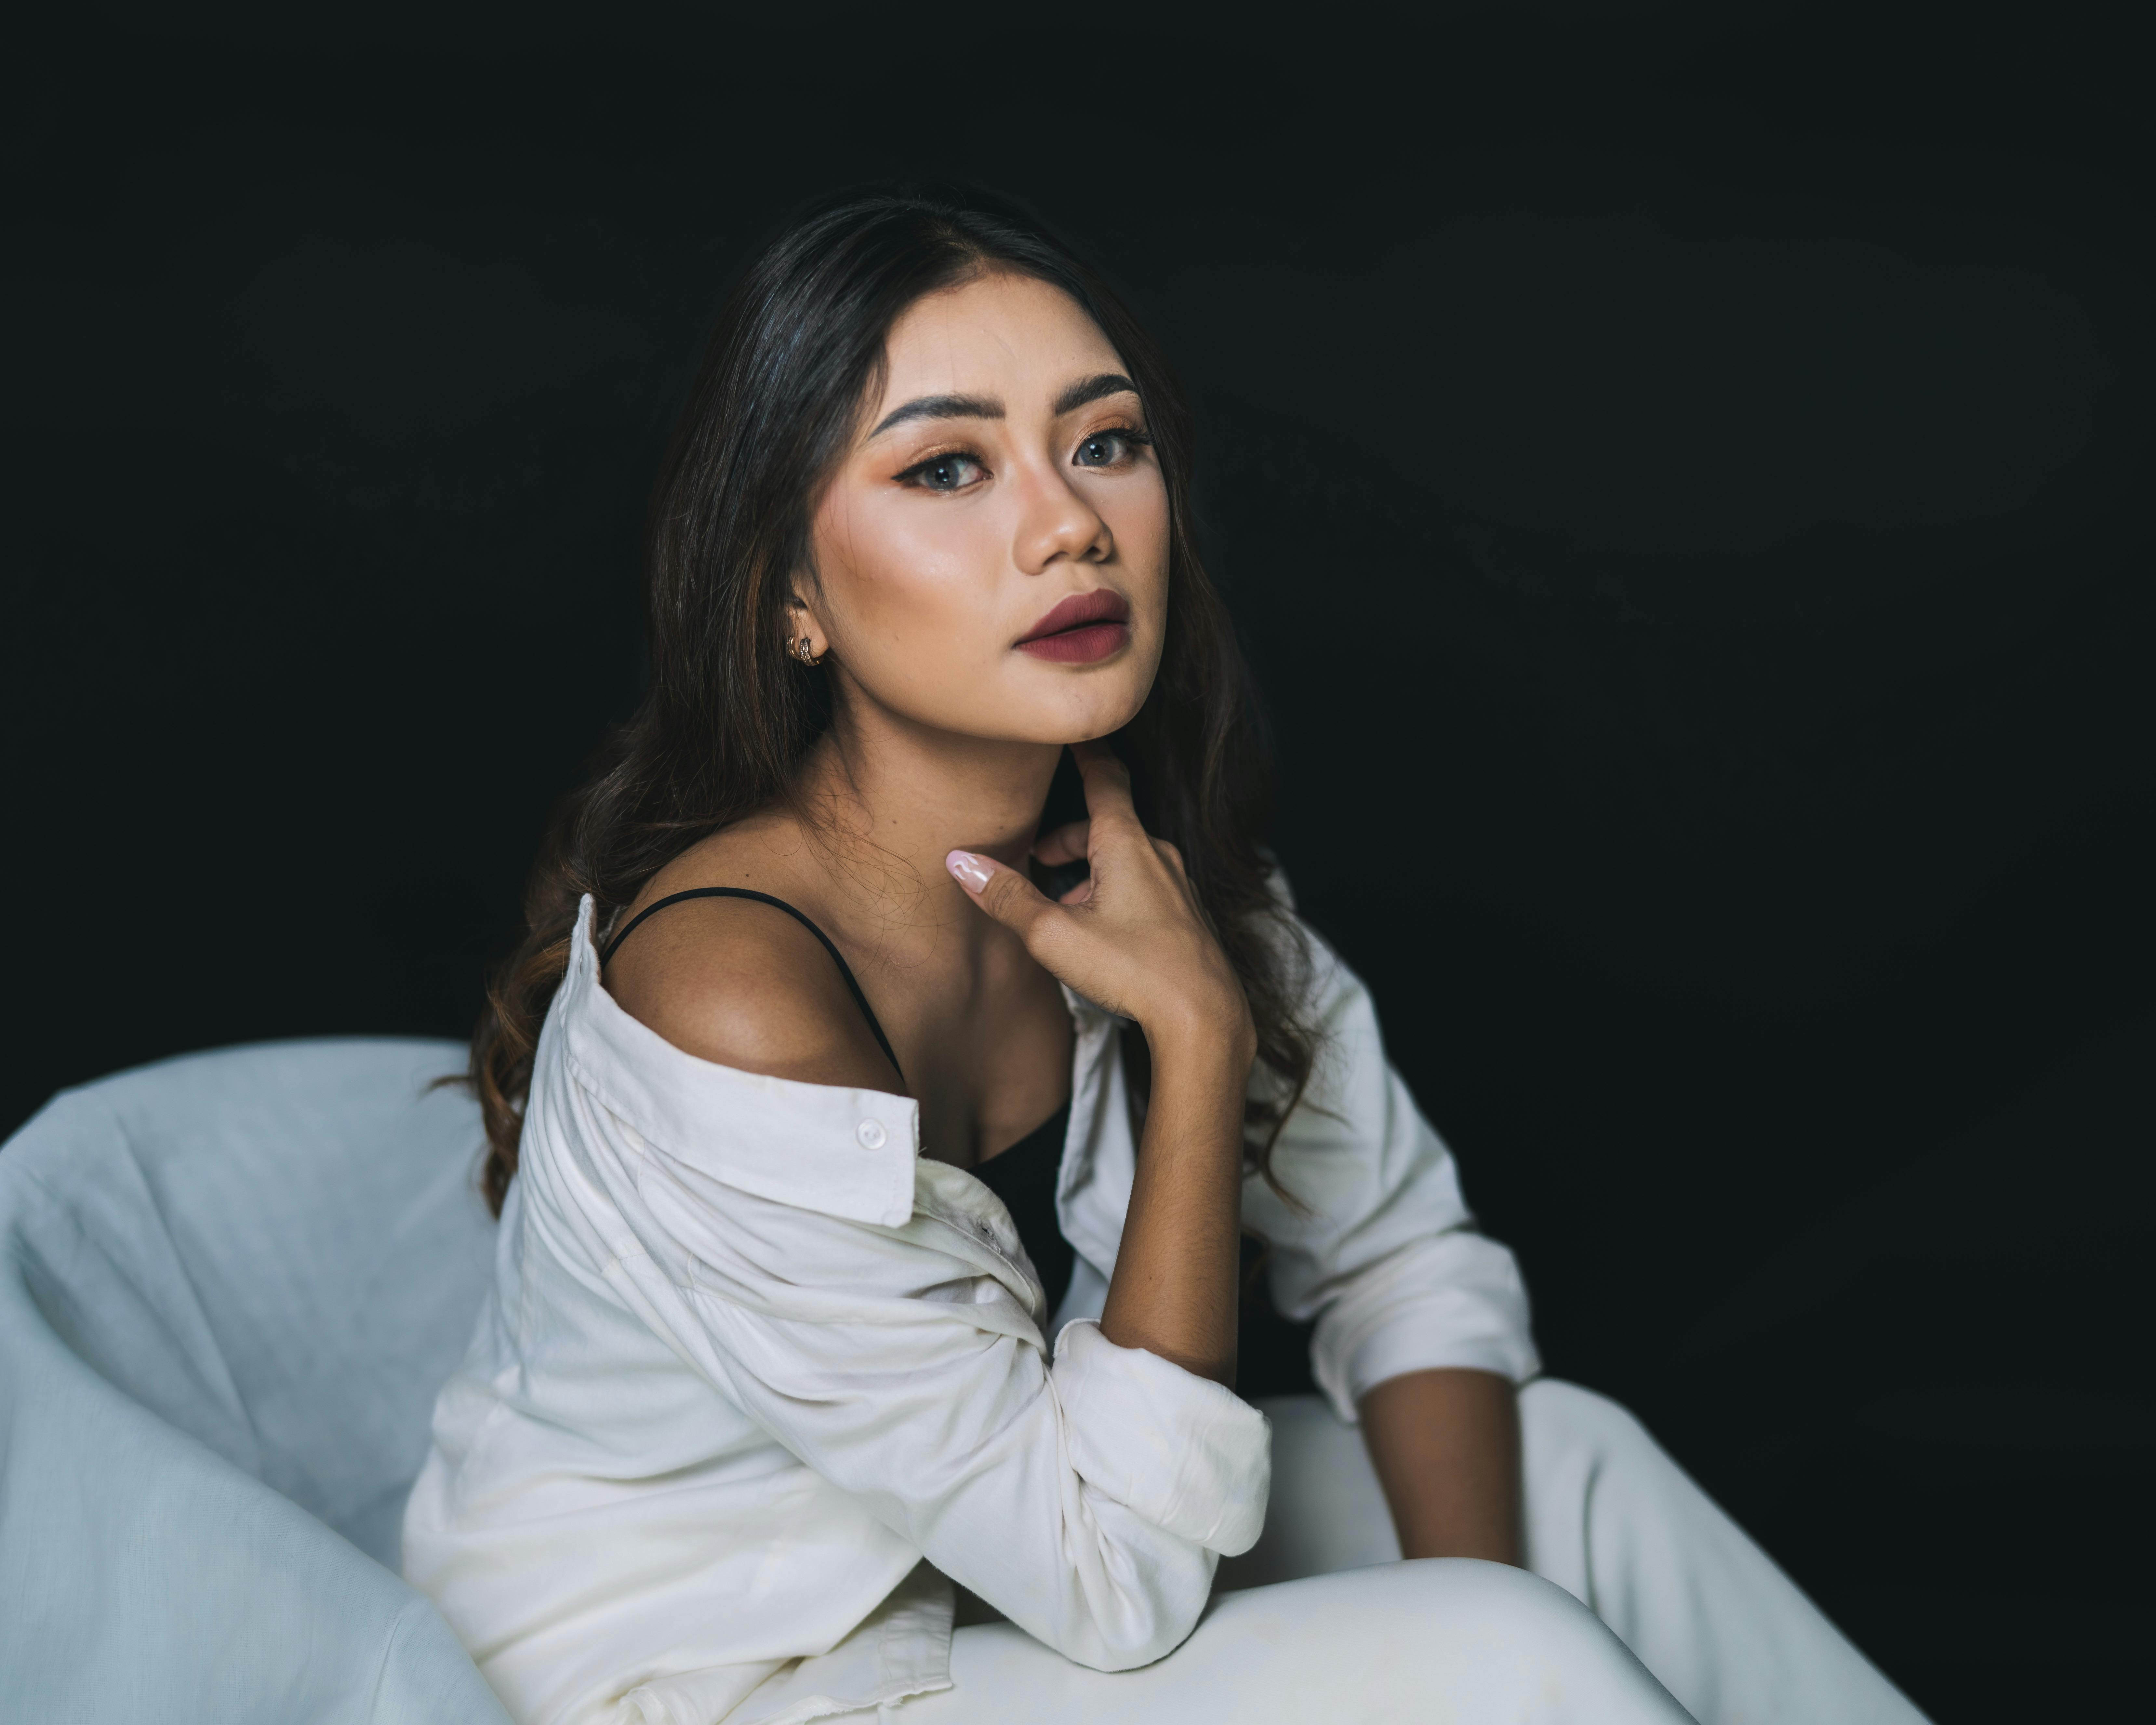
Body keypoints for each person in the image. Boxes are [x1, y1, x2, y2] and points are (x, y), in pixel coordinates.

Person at [402, 183, 1925, 1725]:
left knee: (1576, 1478)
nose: (1066, 523)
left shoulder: (1140, 870)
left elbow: (1405, 1265)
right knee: (1507, 1665)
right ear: (788, 593)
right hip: (721, 1680)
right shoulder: (732, 992)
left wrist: (1477, 1591)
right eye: (946, 466)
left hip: (992, 1591)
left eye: (1103, 442)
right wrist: (1191, 1045)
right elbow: (1110, 1583)